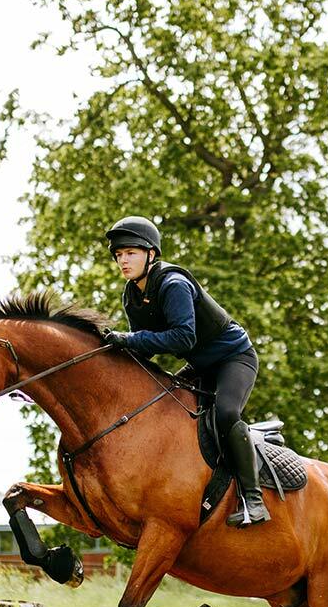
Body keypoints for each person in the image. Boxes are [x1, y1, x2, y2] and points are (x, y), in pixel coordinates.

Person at [98, 216, 269, 526]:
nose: (123, 260)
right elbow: (144, 347)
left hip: (233, 358)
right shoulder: (131, 295)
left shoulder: (173, 285)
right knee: (168, 408)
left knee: (227, 413)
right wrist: (111, 354)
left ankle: (254, 500)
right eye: (119, 255)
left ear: (151, 254)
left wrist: (128, 339)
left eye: (130, 253)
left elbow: (183, 337)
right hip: (201, 364)